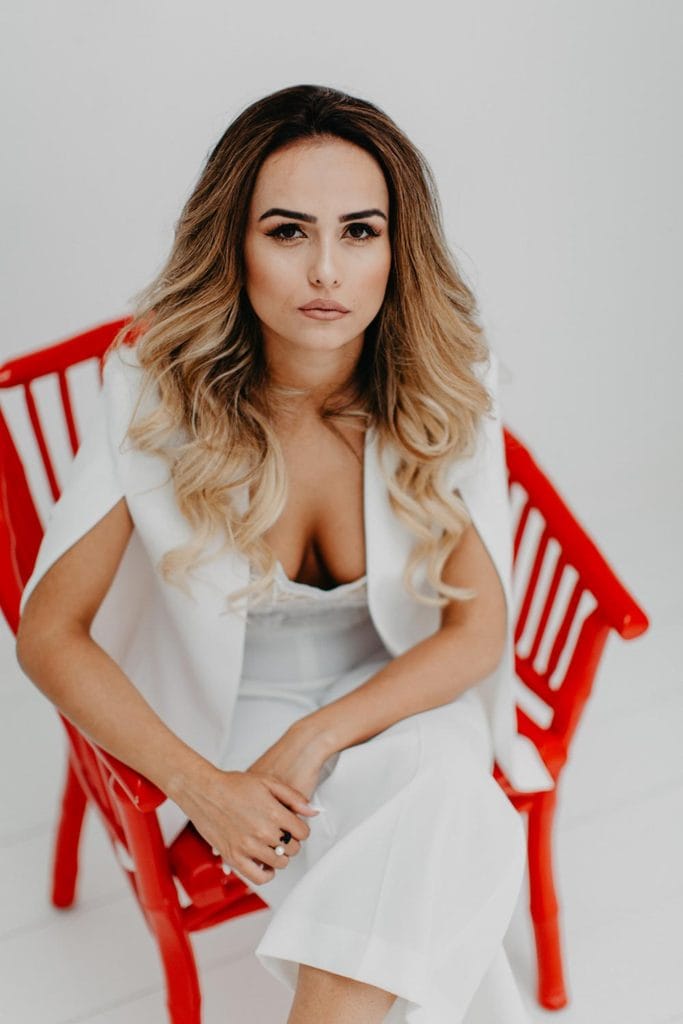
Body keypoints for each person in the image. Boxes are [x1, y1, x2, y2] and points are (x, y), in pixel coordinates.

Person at [16, 84, 554, 1023]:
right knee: (439, 849)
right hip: (223, 711)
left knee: (441, 785)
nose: (325, 273)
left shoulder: (440, 374)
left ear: (397, 245)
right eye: (286, 231)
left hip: (395, 688)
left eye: (358, 232)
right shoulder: (156, 389)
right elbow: (49, 632)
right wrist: (203, 785)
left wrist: (317, 736)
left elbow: (475, 630)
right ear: (234, 241)